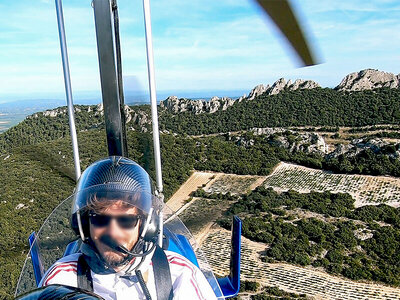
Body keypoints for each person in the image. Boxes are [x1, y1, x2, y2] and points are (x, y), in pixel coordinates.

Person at [39, 156, 218, 300]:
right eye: (100, 220)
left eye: (126, 220)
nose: (113, 232)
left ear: (147, 226)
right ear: (84, 225)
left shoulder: (178, 275)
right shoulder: (62, 281)